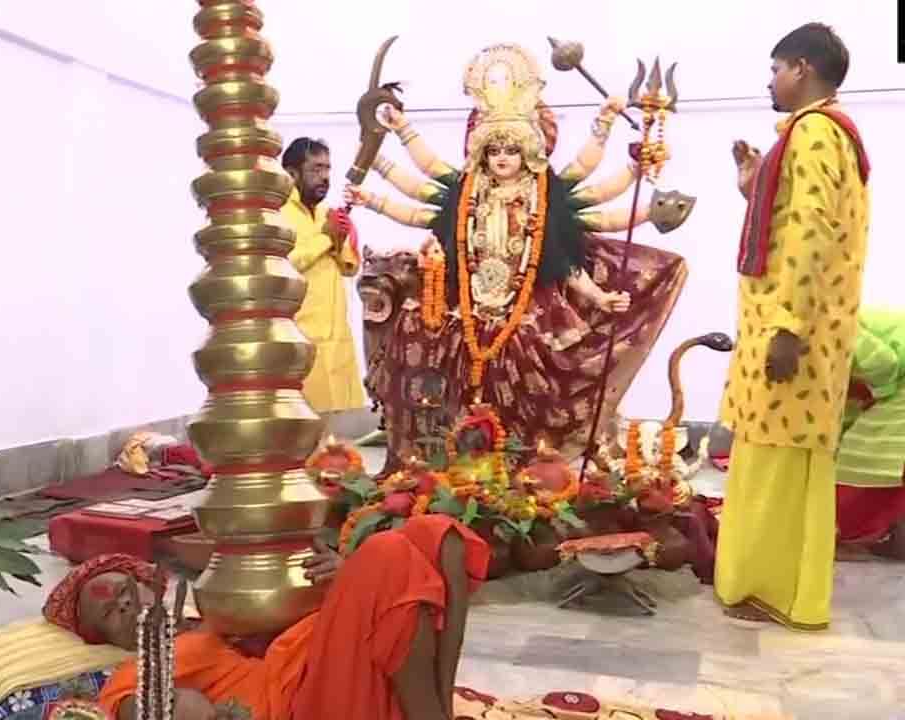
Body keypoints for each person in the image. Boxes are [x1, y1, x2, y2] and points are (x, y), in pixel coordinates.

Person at [344, 43, 688, 465]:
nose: (502, 158)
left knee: (528, 373)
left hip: (527, 314)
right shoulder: (465, 192)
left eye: (510, 150)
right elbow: (419, 199)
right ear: (482, 153)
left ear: (526, 152)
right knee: (424, 343)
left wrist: (599, 297)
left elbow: (566, 259)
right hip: (467, 310)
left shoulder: (544, 196)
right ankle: (451, 462)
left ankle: (524, 468)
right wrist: (374, 189)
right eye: (494, 151)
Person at [714, 22, 871, 630]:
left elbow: (810, 234)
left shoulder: (814, 134)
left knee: (775, 462)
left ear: (802, 68)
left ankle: (771, 589)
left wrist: (787, 327)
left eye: (776, 68)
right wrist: (755, 188)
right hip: (802, 325)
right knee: (776, 457)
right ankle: (776, 586)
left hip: (794, 332)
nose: (771, 81)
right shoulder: (822, 135)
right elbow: (794, 223)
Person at [44, 516, 490, 720]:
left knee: (438, 536)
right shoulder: (143, 664)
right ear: (104, 638)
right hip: (304, 703)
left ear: (150, 584)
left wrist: (346, 577)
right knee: (389, 552)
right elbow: (134, 705)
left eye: (126, 592)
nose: (124, 606)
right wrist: (183, 708)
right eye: (109, 613)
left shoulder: (217, 609)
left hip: (340, 662)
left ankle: (437, 709)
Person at [279, 137, 367, 414]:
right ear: (292, 173)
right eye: (316, 169)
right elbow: (283, 265)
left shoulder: (327, 213)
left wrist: (342, 237)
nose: (325, 177)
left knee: (344, 431)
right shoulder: (276, 214)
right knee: (306, 427)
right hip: (299, 343)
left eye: (328, 168)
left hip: (338, 341)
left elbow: (350, 268)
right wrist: (326, 238)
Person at [835, 308, 905, 558]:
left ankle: (871, 531)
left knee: (869, 460)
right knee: (887, 460)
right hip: (893, 379)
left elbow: (884, 365)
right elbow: (847, 413)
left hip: (894, 378)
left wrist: (880, 394)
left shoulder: (831, 325)